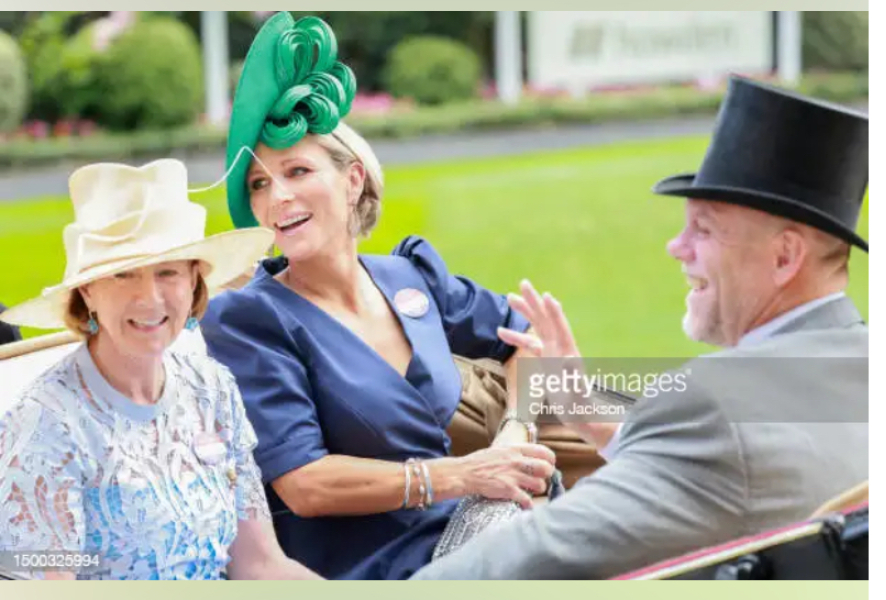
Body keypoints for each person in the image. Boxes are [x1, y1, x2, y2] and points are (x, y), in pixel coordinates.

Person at [410, 75, 869, 579]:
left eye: (704, 229)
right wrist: (589, 414)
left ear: (785, 256)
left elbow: (534, 556)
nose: (677, 247)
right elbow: (744, 470)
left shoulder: (715, 405)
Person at [198, 12, 556, 580]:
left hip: (469, 527)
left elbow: (527, 339)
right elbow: (305, 484)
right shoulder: (247, 318)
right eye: (259, 185)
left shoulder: (410, 276)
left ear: (353, 178)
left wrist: (516, 430)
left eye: (297, 170)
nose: (277, 197)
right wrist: (466, 475)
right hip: (371, 568)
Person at [0, 158, 321, 580]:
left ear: (194, 283)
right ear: (88, 292)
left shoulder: (212, 388)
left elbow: (259, 564)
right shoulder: (45, 422)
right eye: (123, 275)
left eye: (167, 272)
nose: (149, 298)